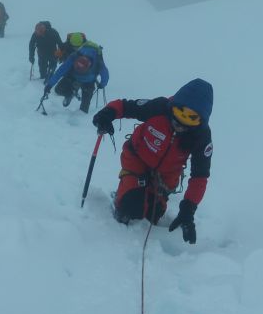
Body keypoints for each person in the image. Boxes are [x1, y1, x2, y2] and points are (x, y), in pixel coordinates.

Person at [91, 78, 214, 243]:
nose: (181, 122)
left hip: (166, 175)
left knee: (152, 216)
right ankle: (124, 193)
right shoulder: (159, 107)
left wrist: (188, 210)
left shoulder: (202, 137)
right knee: (131, 207)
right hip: (137, 158)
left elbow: (200, 176)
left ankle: (145, 196)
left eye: (190, 118)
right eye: (179, 113)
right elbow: (126, 106)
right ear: (174, 106)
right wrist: (107, 114)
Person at [43, 42, 108, 113]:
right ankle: (70, 94)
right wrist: (49, 85)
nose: (80, 72)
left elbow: (105, 74)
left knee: (84, 107)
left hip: (89, 82)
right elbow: (60, 72)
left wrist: (102, 84)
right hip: (73, 76)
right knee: (58, 90)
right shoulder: (73, 57)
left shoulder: (98, 61)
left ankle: (80, 119)